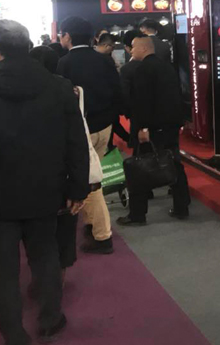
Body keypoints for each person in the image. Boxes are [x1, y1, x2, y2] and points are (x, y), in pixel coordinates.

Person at [0, 20, 89, 345]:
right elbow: (76, 142)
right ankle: (50, 319)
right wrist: (78, 187)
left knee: (4, 270)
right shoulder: (58, 86)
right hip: (45, 188)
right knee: (46, 255)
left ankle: (13, 332)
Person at [29, 46, 104, 283]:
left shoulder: (27, 92)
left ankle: (44, 280)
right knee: (63, 228)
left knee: (37, 233)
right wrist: (78, 187)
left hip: (34, 177)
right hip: (65, 173)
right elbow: (77, 142)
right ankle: (57, 278)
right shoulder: (70, 90)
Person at [57, 16, 120, 254]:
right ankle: (93, 225)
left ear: (68, 36)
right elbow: (117, 92)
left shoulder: (64, 63)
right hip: (105, 126)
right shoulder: (104, 60)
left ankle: (102, 236)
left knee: (89, 182)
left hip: (82, 130)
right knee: (93, 175)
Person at [118, 36, 191, 225]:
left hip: (151, 128)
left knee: (138, 169)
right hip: (170, 125)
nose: (131, 51)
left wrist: (143, 127)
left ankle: (137, 215)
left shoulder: (142, 70)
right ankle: (182, 206)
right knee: (174, 164)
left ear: (143, 48)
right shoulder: (167, 67)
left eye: (134, 47)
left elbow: (143, 102)